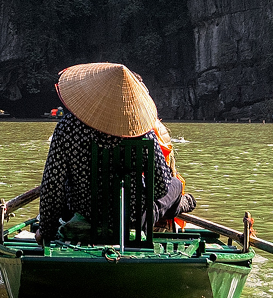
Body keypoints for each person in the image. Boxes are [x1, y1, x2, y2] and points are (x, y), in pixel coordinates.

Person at [37, 62, 195, 242]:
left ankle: (176, 205)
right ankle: (180, 205)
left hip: (84, 211)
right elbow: (159, 188)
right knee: (174, 184)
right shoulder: (143, 132)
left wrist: (46, 231)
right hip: (131, 218)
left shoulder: (67, 128)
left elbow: (52, 186)